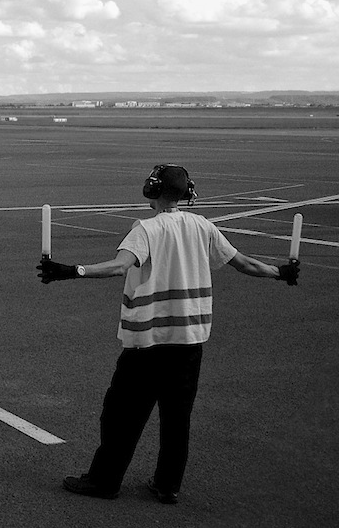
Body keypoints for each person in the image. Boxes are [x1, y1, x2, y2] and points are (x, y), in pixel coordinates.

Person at [37, 164, 299, 504]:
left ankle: (105, 481)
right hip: (189, 343)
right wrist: (281, 272)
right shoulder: (202, 226)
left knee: (122, 416)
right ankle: (167, 485)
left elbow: (119, 266)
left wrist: (70, 271)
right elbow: (244, 263)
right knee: (177, 419)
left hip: (149, 343)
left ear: (153, 190)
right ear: (186, 193)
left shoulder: (146, 230)